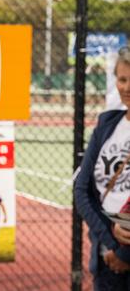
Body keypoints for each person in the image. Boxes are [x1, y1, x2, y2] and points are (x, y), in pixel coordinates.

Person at [75, 46, 130, 290]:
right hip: (106, 259)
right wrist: (111, 239)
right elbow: (81, 190)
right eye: (122, 79)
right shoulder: (107, 125)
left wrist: (127, 255)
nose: (127, 88)